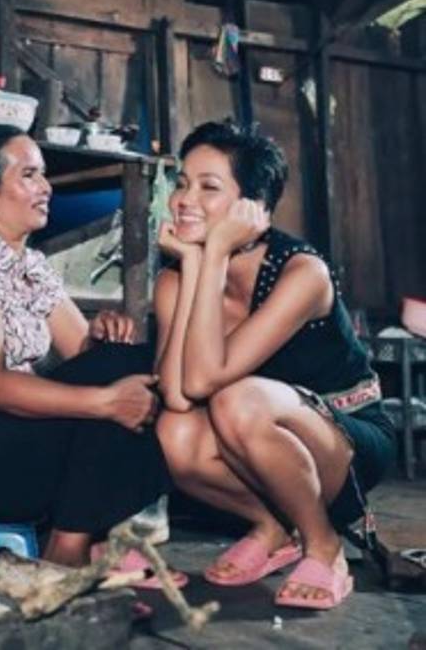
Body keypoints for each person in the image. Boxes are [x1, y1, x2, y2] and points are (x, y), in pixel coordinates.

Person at [0, 124, 171, 567]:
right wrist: (104, 401)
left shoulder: (31, 266)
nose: (45, 188)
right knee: (111, 393)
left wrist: (103, 333)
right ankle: (72, 550)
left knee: (129, 365)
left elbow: (85, 354)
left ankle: (75, 542)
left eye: (43, 175)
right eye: (29, 176)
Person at [154, 119, 395, 610]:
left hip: (345, 440)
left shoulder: (302, 272)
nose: (183, 199)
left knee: (236, 398)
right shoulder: (177, 277)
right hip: (256, 442)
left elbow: (206, 381)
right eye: (182, 182)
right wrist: (201, 267)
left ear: (253, 208)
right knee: (174, 433)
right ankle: (271, 525)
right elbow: (179, 394)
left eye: (208, 187)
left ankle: (323, 545)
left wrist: (215, 252)